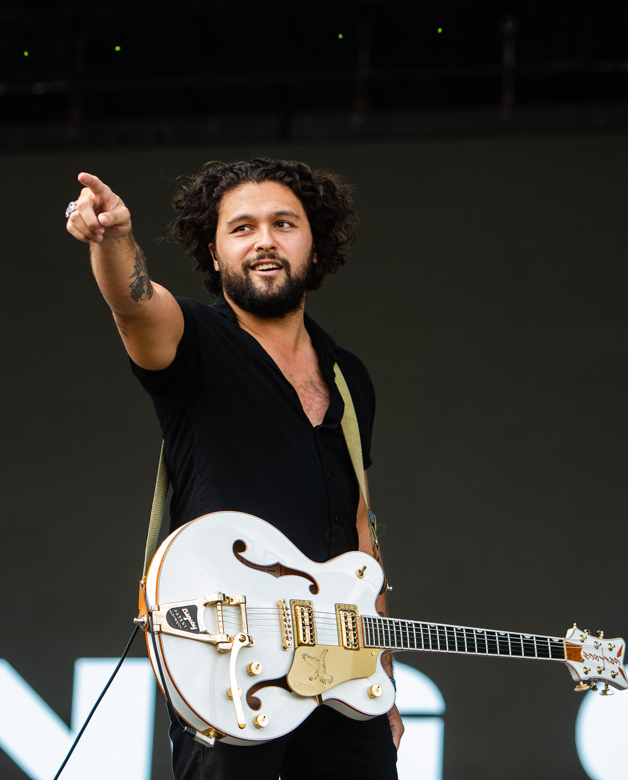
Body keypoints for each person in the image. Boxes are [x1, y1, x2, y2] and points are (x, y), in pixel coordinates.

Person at [64, 158, 402, 779]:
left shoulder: (347, 376)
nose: (264, 241)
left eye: (284, 224)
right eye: (242, 228)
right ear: (215, 254)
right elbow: (135, 305)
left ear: (314, 245)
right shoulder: (194, 338)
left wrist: (379, 674)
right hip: (230, 663)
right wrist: (114, 240)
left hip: (338, 668)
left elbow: (361, 533)